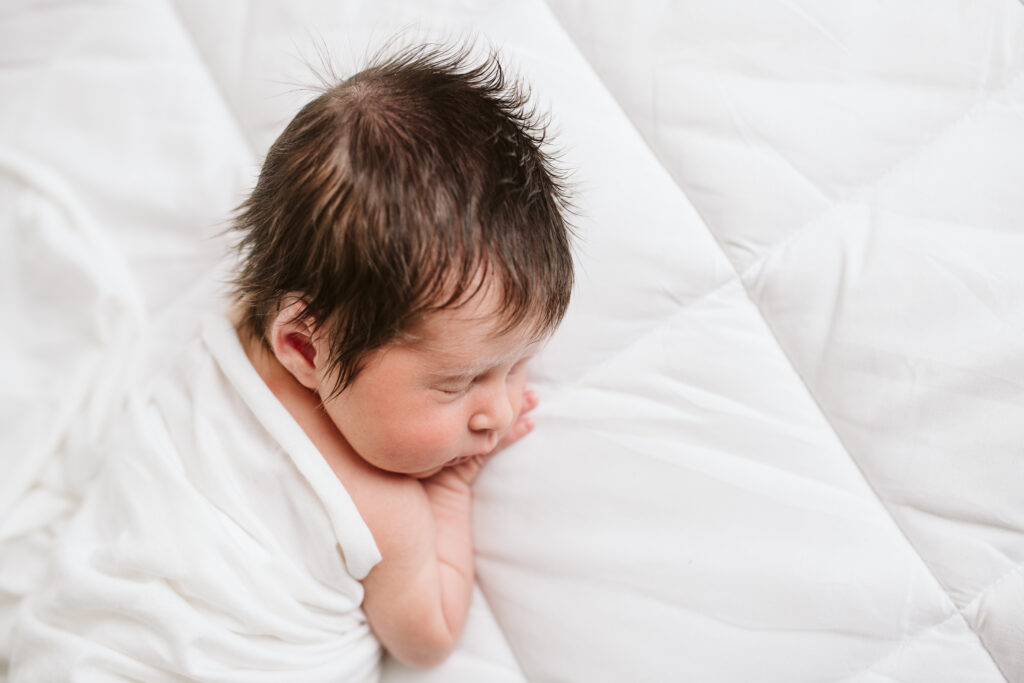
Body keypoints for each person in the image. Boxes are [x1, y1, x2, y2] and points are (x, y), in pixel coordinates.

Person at [10, 42, 573, 680]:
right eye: (456, 385)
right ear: (303, 346)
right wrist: (449, 492)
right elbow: (429, 637)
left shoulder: (223, 341)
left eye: (516, 364)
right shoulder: (385, 511)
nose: (497, 411)